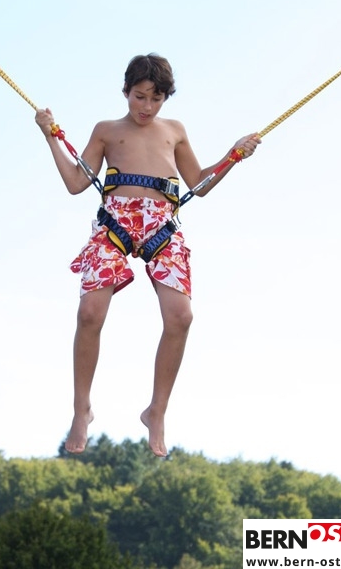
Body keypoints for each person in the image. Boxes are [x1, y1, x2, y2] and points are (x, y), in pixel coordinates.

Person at [35, 53, 261, 457]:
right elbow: (75, 182)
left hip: (162, 226)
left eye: (156, 99)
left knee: (181, 317)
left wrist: (233, 154)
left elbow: (199, 183)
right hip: (115, 223)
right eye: (140, 97)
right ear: (126, 91)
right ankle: (81, 408)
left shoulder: (174, 131)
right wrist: (50, 135)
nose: (147, 107)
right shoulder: (106, 131)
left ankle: (156, 410)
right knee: (89, 313)